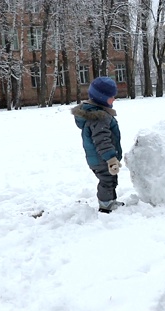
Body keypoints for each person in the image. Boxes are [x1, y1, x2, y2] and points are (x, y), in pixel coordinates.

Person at [72, 76, 124, 213]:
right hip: (102, 159)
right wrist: (111, 158)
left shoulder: (96, 115)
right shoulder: (99, 118)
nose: (114, 99)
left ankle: (110, 201)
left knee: (110, 179)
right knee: (107, 180)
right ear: (102, 98)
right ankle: (105, 205)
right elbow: (102, 141)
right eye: (111, 96)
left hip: (98, 158)